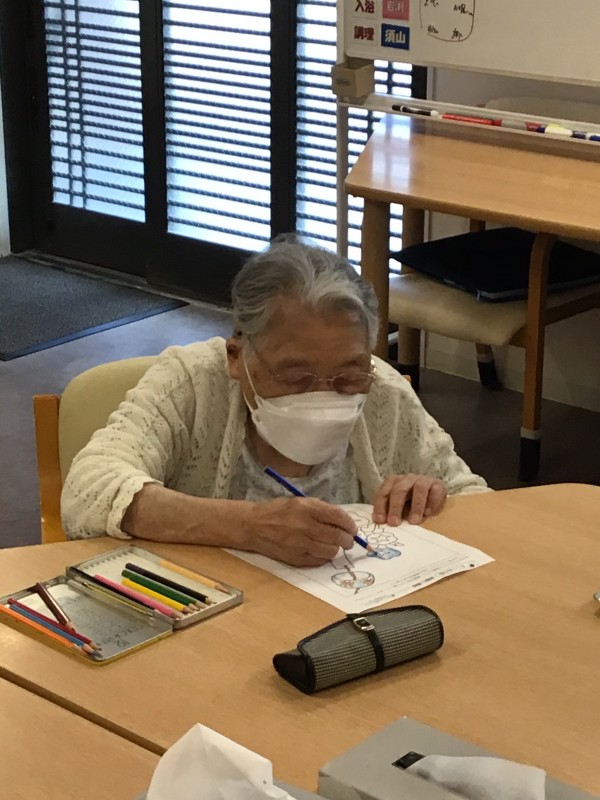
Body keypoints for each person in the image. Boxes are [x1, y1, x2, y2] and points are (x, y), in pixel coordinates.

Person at [61, 236, 489, 566]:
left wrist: (436, 500)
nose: (324, 395)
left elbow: (484, 507)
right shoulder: (191, 383)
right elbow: (89, 490)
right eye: (295, 376)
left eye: (348, 376)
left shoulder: (383, 391)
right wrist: (248, 526)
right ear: (236, 356)